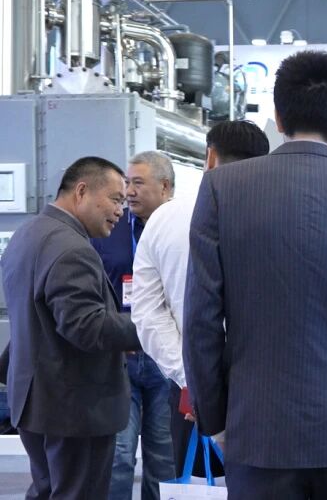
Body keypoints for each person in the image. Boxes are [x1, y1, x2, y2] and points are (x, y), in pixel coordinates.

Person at [183, 50, 327, 500]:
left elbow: (201, 320)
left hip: (256, 427)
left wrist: (216, 419)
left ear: (277, 117)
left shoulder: (221, 189)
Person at [131, 121, 270, 476]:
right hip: (269, 397)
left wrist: (191, 378)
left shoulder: (165, 219)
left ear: (209, 158)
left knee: (196, 485)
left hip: (191, 399)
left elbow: (147, 314)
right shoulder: (281, 218)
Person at [1, 157, 141, 499]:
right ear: (81, 191)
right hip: (74, 408)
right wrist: (147, 328)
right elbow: (86, 326)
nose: (120, 211)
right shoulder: (72, 248)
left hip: (37, 401)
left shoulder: (28, 234)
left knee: (49, 490)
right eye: (115, 199)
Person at [91, 151, 177, 500]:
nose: (128, 192)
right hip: (120, 359)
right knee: (119, 456)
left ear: (165, 187)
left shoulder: (183, 230)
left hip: (166, 361)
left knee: (164, 456)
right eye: (127, 183)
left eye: (138, 183)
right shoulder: (110, 228)